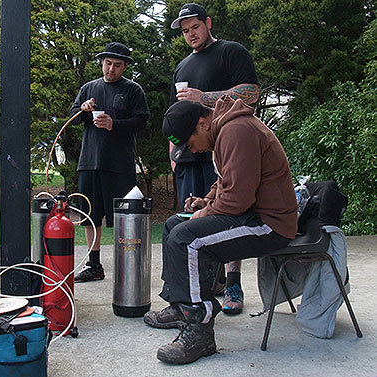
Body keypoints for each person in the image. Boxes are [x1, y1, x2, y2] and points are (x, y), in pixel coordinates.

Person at [143, 98, 297, 364]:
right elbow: (227, 181)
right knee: (173, 226)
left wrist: (203, 213)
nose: (193, 150)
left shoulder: (237, 130)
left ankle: (200, 330)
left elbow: (237, 199)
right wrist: (207, 200)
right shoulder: (225, 130)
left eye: (190, 144)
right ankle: (181, 306)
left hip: (269, 224)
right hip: (251, 215)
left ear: (202, 124)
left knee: (186, 238)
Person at [169, 2, 260, 314]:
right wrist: (172, 150)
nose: (191, 34)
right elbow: (174, 115)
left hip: (224, 144)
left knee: (230, 213)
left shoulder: (231, 52)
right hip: (188, 153)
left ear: (208, 23)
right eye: (185, 31)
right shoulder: (182, 68)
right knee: (192, 215)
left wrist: (203, 97)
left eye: (195, 27)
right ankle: (203, 287)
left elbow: (251, 94)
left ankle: (233, 282)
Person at [69, 42, 150, 282]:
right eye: (107, 63)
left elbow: (141, 121)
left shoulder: (133, 90)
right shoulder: (88, 88)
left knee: (124, 218)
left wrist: (114, 124)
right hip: (90, 161)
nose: (111, 69)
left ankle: (127, 266)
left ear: (125, 66)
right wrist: (83, 110)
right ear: (101, 62)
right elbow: (73, 118)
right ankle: (94, 266)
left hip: (120, 164)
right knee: (90, 217)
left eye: (117, 65)